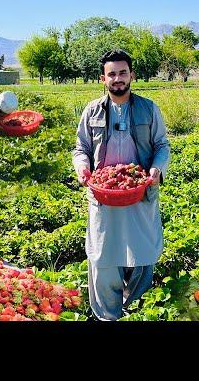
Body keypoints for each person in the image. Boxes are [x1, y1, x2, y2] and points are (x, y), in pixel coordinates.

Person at [72, 49, 171, 321]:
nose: (118, 79)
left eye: (123, 73)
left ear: (132, 75)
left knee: (142, 254)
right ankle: (107, 316)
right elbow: (80, 147)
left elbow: (162, 145)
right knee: (103, 257)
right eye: (112, 74)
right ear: (103, 79)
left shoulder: (149, 109)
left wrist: (156, 170)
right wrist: (83, 168)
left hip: (140, 193)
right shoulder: (92, 111)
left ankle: (138, 313)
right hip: (103, 197)